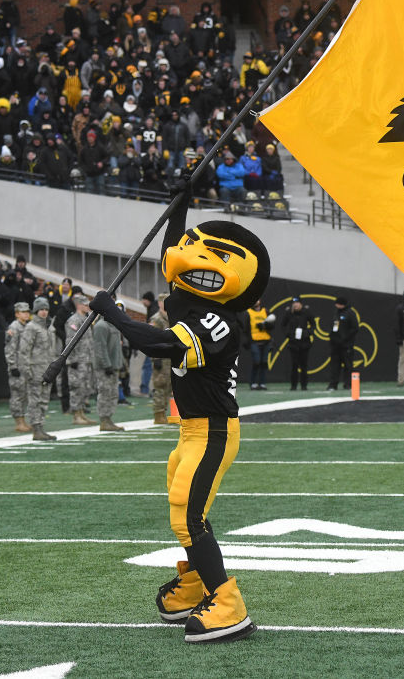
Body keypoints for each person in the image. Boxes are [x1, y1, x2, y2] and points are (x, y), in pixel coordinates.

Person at [88, 181, 267, 643]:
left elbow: (159, 344)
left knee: (188, 515)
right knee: (182, 507)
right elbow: (174, 253)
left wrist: (115, 313)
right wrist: (180, 203)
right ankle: (193, 585)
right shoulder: (193, 299)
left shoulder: (220, 318)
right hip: (191, 429)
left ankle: (228, 603)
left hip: (213, 430)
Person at [19, 296, 57, 441]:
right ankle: (36, 428)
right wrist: (27, 370)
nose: (44, 312)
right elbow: (24, 350)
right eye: (41, 309)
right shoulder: (31, 327)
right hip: (35, 370)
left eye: (46, 309)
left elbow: (53, 349)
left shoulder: (49, 327)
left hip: (47, 370)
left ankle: (41, 427)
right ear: (35, 311)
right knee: (35, 400)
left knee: (44, 400)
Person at [93, 296, 125, 432]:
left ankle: (109, 419)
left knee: (113, 393)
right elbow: (100, 348)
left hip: (114, 365)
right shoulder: (101, 326)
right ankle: (104, 420)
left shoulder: (113, 324)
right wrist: (106, 365)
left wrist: (120, 363)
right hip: (105, 367)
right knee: (105, 392)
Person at [65, 293, 96, 425]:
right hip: (77, 360)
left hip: (86, 359)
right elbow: (70, 341)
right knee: (76, 387)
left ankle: (82, 412)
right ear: (78, 305)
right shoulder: (74, 320)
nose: (87, 306)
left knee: (85, 387)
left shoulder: (87, 319)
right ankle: (76, 414)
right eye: (84, 304)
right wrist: (72, 360)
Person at [5, 301, 33, 432]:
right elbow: (10, 349)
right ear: (17, 314)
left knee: (24, 394)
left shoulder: (27, 326)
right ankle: (18, 422)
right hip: (17, 366)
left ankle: (23, 420)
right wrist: (12, 366)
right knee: (17, 395)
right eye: (23, 312)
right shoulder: (14, 328)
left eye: (27, 312)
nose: (26, 314)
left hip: (26, 366)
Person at [280, 296, 315, 390]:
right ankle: (293, 385)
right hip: (293, 343)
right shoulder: (289, 313)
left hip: (304, 343)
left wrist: (307, 333)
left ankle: (304, 385)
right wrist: (288, 334)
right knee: (294, 365)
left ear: (301, 304)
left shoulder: (307, 312)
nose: (295, 305)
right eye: (294, 303)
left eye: (297, 303)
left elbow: (313, 325)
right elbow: (282, 325)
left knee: (304, 365)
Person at [149, 292, 172, 424]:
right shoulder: (156, 319)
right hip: (160, 358)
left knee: (168, 386)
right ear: (159, 303)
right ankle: (158, 414)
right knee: (160, 386)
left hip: (169, 357)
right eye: (164, 301)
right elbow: (152, 339)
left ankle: (163, 411)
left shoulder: (170, 317)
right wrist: (155, 358)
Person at [325, 296, 357, 390]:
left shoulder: (350, 313)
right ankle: (333, 384)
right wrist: (332, 337)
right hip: (335, 345)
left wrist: (345, 338)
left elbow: (355, 328)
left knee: (348, 365)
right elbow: (333, 327)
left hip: (346, 345)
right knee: (335, 366)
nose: (336, 305)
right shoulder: (336, 313)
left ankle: (348, 384)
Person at [244, 298, 272, 390]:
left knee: (264, 363)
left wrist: (265, 325)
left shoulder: (266, 311)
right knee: (256, 362)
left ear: (260, 301)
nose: (255, 301)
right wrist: (247, 341)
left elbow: (272, 325)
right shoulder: (248, 312)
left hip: (266, 340)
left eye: (257, 300)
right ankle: (253, 383)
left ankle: (262, 383)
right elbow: (245, 328)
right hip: (254, 341)